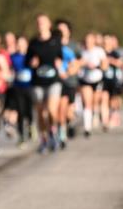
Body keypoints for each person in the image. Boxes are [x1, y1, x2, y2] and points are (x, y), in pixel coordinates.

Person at [26, 14, 64, 153]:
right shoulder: (33, 42)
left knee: (52, 110)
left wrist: (59, 62)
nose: (40, 24)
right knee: (41, 113)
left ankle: (53, 131)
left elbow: (61, 56)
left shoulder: (55, 41)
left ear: (49, 25)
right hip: (38, 81)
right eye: (38, 22)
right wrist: (32, 63)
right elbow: (27, 61)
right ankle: (43, 138)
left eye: (43, 22)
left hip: (53, 81)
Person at [77, 33, 108, 138]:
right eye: (86, 41)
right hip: (85, 80)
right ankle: (87, 128)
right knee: (87, 103)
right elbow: (77, 64)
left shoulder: (99, 51)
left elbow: (105, 65)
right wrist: (83, 64)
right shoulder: (82, 52)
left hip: (97, 80)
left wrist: (96, 66)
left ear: (94, 41)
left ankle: (95, 115)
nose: (88, 43)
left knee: (95, 102)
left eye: (90, 40)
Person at [55, 19, 79, 148]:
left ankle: (69, 123)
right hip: (56, 82)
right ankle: (61, 134)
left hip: (70, 82)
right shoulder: (53, 45)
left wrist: (68, 72)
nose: (61, 32)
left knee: (67, 112)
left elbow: (78, 63)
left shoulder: (72, 47)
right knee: (60, 109)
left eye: (63, 29)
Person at [9, 35, 35, 148]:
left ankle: (31, 126)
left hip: (30, 86)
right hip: (17, 87)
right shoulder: (13, 57)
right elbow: (9, 69)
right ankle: (21, 136)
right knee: (20, 111)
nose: (20, 46)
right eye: (18, 44)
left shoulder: (31, 56)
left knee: (29, 110)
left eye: (22, 43)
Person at [102, 34, 123, 131]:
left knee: (114, 100)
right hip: (103, 80)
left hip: (114, 80)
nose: (106, 44)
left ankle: (114, 116)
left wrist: (111, 61)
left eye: (108, 42)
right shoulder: (101, 52)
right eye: (104, 42)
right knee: (104, 99)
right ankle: (105, 121)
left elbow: (121, 63)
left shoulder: (115, 53)